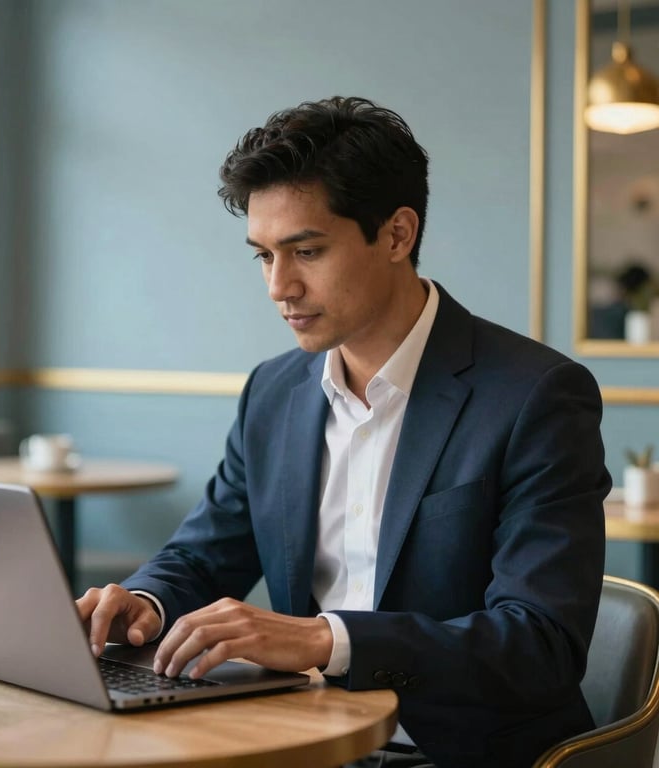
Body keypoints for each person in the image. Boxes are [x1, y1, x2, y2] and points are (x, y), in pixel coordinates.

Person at [77, 96, 611, 768]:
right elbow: (204, 555)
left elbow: (539, 646)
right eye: (263, 256)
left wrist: (326, 640)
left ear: (396, 234)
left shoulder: (535, 396)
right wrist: (143, 602)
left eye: (306, 251)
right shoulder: (273, 393)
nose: (279, 286)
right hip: (299, 740)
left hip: (461, 752)